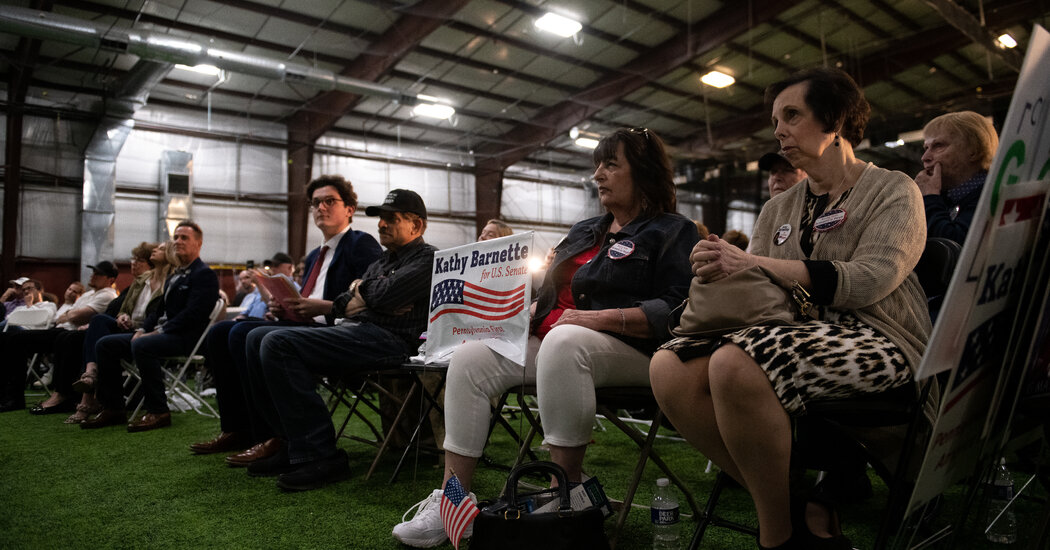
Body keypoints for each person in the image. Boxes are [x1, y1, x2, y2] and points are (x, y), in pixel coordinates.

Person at [649, 67, 930, 550]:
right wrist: (718, 267)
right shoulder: (777, 209)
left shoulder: (894, 189)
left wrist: (754, 262)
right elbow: (756, 284)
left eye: (792, 115)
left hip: (879, 336)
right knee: (667, 367)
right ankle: (791, 507)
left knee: (736, 362)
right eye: (775, 120)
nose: (779, 130)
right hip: (783, 329)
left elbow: (870, 279)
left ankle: (777, 537)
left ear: (835, 121)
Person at [392, 128, 697, 548]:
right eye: (597, 165)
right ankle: (453, 499)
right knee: (471, 358)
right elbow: (550, 295)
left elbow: (678, 308)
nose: (598, 175)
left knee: (565, 341)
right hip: (558, 339)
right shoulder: (584, 230)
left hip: (637, 349)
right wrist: (521, 312)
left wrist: (599, 319)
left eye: (611, 165)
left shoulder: (674, 230)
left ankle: (565, 491)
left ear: (643, 173)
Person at [241, 189, 437, 492]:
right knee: (256, 337)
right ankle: (291, 444)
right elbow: (345, 300)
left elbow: (382, 295)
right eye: (381, 218)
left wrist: (362, 291)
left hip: (393, 341)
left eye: (392, 219)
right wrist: (365, 294)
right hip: (360, 330)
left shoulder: (428, 258)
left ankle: (321, 454)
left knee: (277, 343)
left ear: (417, 225)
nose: (381, 224)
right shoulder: (383, 261)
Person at [189, 176, 382, 459]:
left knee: (245, 334)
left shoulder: (360, 244)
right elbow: (305, 298)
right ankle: (237, 428)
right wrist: (284, 306)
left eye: (330, 201)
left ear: (350, 209)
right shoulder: (315, 254)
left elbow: (370, 298)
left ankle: (273, 435)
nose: (321, 208)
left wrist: (321, 307)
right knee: (220, 332)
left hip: (335, 330)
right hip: (303, 324)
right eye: (316, 203)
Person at [83, 220, 219, 432]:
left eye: (184, 238)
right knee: (105, 344)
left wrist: (158, 332)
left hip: (185, 338)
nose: (178, 241)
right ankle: (114, 408)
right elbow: (157, 311)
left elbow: (194, 315)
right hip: (162, 335)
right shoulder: (176, 275)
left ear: (198, 243)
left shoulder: (204, 274)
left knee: (143, 345)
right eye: (176, 237)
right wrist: (142, 330)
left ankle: (158, 411)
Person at [59, 242, 176, 424]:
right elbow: (124, 308)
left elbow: (161, 314)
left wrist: (143, 329)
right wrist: (122, 316)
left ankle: (97, 402)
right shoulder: (141, 280)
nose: (155, 250)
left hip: (150, 331)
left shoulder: (173, 281)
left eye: (160, 249)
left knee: (101, 343)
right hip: (129, 327)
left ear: (170, 255)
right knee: (98, 321)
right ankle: (90, 373)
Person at [0, 264, 119, 413]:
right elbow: (66, 316)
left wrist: (69, 315)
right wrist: (70, 315)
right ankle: (7, 394)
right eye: (93, 272)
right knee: (7, 337)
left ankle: (16, 398)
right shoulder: (88, 294)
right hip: (63, 330)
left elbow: (75, 316)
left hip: (73, 333)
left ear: (110, 279)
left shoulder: (107, 294)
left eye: (98, 274)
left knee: (18, 339)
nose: (93, 276)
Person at [915, 111, 998, 244]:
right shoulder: (947, 197)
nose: (925, 157)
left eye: (938, 146)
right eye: (926, 148)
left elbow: (953, 246)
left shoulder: (991, 196)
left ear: (974, 151)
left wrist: (930, 198)